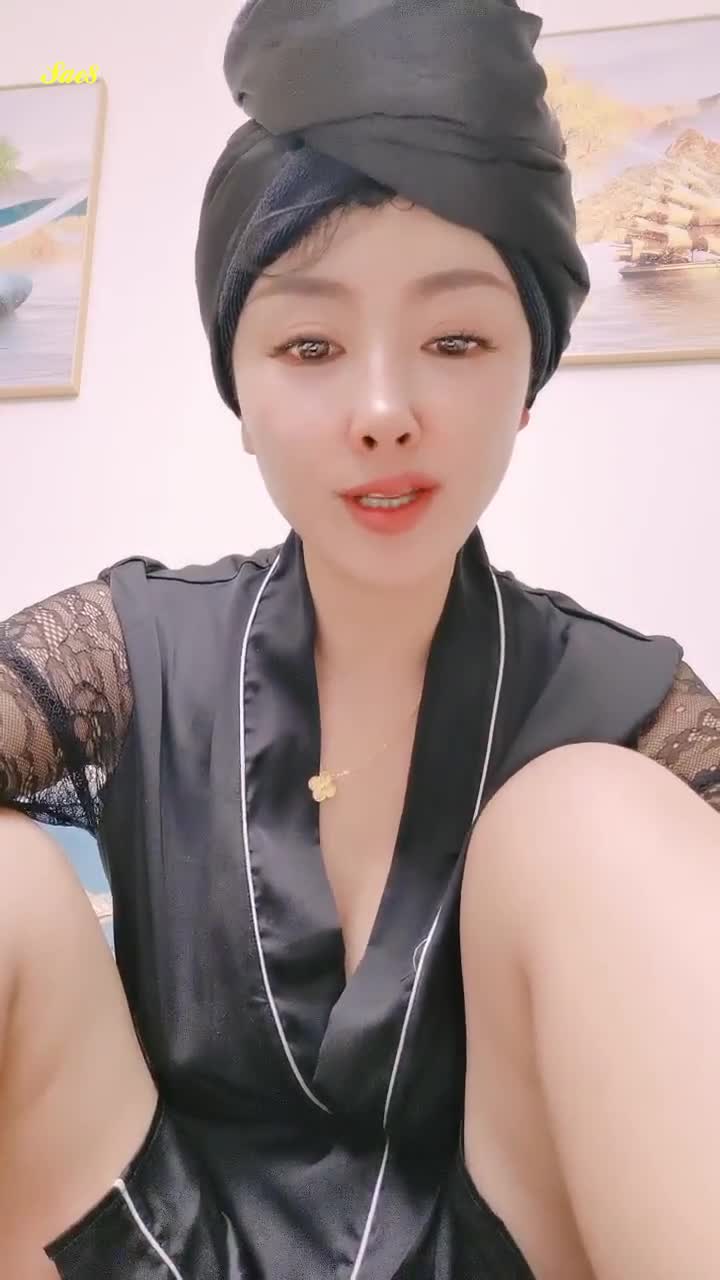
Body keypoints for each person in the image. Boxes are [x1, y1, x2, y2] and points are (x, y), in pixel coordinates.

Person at [1, 2, 719, 1277]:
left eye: (454, 339)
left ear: (529, 379)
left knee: (598, 817)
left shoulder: (629, 703)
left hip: (500, 1249)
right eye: (311, 344)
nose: (383, 410)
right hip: (141, 1241)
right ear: (240, 390)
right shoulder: (132, 647)